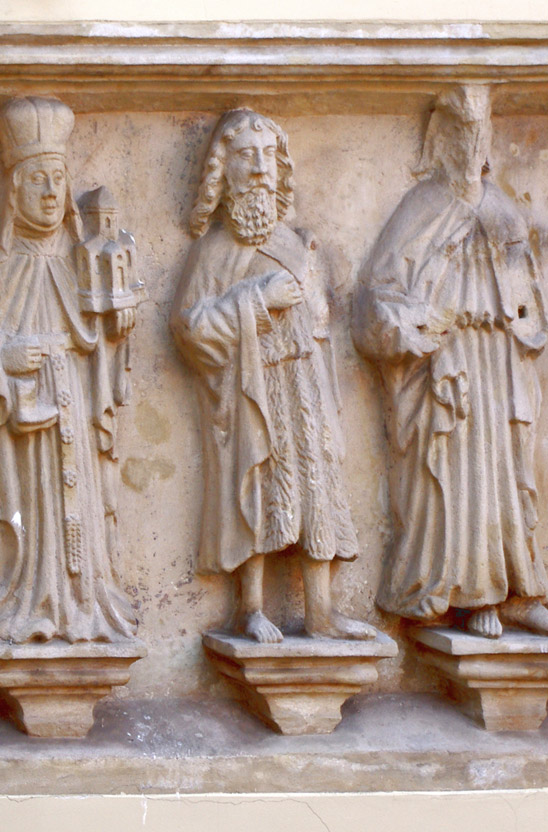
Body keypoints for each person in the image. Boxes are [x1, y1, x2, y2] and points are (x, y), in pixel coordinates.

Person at [353, 85, 548, 639]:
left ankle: (518, 591)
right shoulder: (422, 206)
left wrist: (523, 319)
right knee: (457, 476)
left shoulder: (503, 211)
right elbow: (377, 296)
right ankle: (470, 593)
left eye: (481, 132)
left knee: (508, 477)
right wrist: (418, 324)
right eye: (461, 132)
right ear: (442, 139)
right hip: (445, 365)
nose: (472, 145)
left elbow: (530, 296)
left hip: (500, 361)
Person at [172, 108, 375, 644]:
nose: (260, 167)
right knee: (258, 483)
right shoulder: (215, 251)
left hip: (304, 386)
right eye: (246, 156)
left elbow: (321, 323)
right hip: (253, 390)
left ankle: (322, 612)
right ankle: (251, 608)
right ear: (224, 171)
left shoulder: (296, 242)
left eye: (267, 156)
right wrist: (257, 299)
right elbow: (189, 325)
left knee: (316, 484)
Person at [0, 96, 138, 645]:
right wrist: (3, 359)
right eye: (37, 179)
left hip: (72, 404)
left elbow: (99, 335)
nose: (52, 192)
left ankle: (85, 603)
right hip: (24, 420)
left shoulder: (81, 257)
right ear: (14, 190)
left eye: (58, 178)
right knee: (35, 509)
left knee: (81, 503)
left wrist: (116, 330)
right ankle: (28, 599)